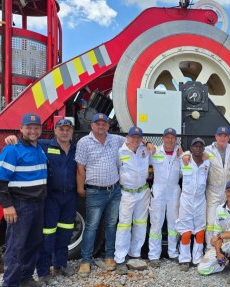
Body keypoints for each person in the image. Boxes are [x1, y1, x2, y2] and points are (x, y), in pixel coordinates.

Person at [4, 118, 78, 283]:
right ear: (55, 131)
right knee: (47, 235)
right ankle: (43, 271)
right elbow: (27, 141)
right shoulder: (44, 145)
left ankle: (61, 264)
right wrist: (11, 138)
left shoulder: (76, 148)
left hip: (70, 198)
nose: (65, 132)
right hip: (51, 197)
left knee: (65, 233)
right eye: (61, 129)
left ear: (72, 132)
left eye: (68, 129)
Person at [0, 113, 48, 287]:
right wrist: (7, 206)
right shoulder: (12, 149)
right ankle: (10, 283)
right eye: (29, 127)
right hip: (20, 205)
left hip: (38, 204)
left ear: (41, 129)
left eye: (36, 127)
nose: (33, 131)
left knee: (33, 243)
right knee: (16, 247)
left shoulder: (39, 147)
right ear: (21, 129)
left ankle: (25, 278)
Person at [76, 113, 124, 276]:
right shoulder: (84, 142)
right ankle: (85, 261)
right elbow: (80, 167)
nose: (101, 126)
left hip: (114, 191)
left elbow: (132, 142)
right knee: (91, 226)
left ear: (108, 126)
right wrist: (80, 187)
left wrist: (148, 144)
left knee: (111, 225)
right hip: (95, 191)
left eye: (104, 124)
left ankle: (109, 257)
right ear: (92, 126)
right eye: (98, 124)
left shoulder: (116, 140)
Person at [114, 126, 152, 273]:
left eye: (138, 137)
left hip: (143, 192)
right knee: (124, 225)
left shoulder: (145, 150)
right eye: (133, 137)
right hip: (127, 194)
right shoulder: (120, 152)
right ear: (127, 137)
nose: (136, 140)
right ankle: (120, 259)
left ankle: (135, 254)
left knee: (141, 224)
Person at [148, 127, 182, 267]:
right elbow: (139, 151)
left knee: (174, 223)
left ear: (176, 140)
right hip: (158, 190)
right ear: (162, 138)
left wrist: (182, 151)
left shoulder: (180, 154)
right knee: (156, 223)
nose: (169, 140)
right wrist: (147, 143)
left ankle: (173, 253)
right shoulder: (154, 151)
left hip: (174, 190)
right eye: (167, 137)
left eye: (172, 138)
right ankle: (154, 255)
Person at [177, 137, 210, 271]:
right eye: (195, 146)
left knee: (200, 231)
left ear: (203, 148)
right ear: (190, 148)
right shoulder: (184, 160)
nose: (197, 148)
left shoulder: (207, 161)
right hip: (186, 199)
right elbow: (177, 151)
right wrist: (185, 154)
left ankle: (197, 258)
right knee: (185, 231)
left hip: (201, 200)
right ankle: (184, 259)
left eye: (200, 146)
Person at [203, 127, 230, 249]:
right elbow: (192, 153)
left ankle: (225, 249)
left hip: (229, 193)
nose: (222, 138)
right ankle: (210, 248)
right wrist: (186, 155)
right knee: (211, 222)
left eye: (225, 136)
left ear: (229, 137)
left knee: (228, 222)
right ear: (216, 136)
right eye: (220, 135)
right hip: (213, 191)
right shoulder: (208, 150)